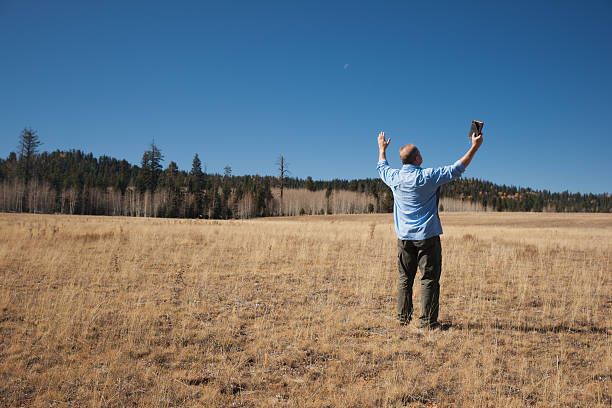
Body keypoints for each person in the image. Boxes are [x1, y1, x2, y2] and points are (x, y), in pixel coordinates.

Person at [377, 130, 483, 330]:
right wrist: (474, 147)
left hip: (404, 238)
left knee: (405, 278)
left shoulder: (394, 178)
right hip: (427, 236)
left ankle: (403, 319)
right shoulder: (428, 176)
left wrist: (382, 148)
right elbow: (457, 169)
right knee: (429, 279)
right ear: (418, 158)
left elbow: (382, 166)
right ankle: (427, 322)